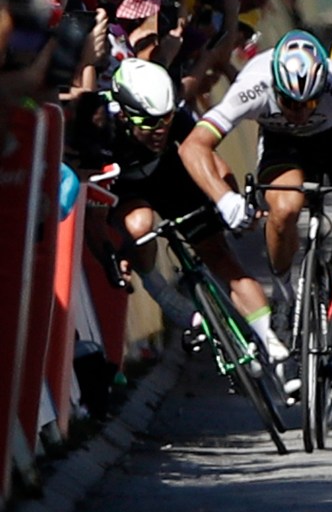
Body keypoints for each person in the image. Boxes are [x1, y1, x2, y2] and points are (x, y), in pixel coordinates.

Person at [179, 29, 332, 395]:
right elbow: (194, 146)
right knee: (285, 206)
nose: (297, 112)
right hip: (283, 147)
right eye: (289, 103)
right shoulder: (253, 84)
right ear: (274, 86)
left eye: (307, 104)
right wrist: (224, 198)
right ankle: (283, 292)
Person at [91, 58, 289, 363]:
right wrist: (111, 258)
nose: (160, 130)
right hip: (125, 191)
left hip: (170, 176)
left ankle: (269, 340)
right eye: (148, 123)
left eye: (166, 119)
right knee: (140, 226)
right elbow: (92, 210)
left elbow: (211, 158)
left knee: (220, 255)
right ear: (123, 115)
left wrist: (232, 202)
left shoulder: (176, 119)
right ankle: (160, 291)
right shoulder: (100, 126)